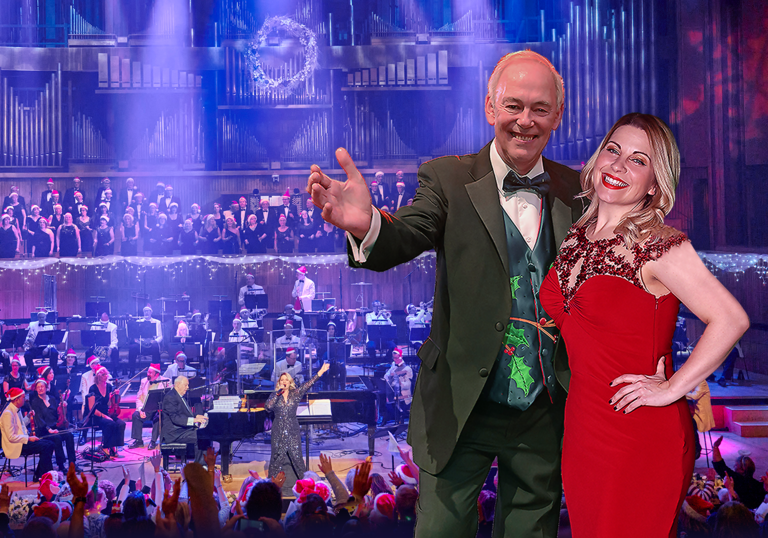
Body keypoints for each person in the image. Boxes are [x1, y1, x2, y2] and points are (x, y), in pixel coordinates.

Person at [308, 50, 584, 538]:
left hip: (544, 410)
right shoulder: (448, 178)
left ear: (558, 115)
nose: (525, 121)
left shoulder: (578, 191)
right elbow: (407, 233)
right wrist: (367, 225)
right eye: (513, 105)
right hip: (461, 405)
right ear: (489, 108)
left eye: (540, 109)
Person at [539, 113, 750, 537]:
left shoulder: (659, 245)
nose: (618, 166)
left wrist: (673, 388)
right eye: (613, 151)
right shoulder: (577, 234)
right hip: (583, 429)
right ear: (598, 157)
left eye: (638, 160)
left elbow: (731, 318)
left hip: (639, 432)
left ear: (655, 184)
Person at [265, 363, 329, 483]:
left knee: (298, 459)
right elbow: (268, 407)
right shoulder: (275, 395)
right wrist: (278, 392)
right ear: (279, 383)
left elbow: (309, 384)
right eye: (281, 380)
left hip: (293, 430)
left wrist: (321, 371)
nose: (284, 382)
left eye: (286, 380)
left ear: (290, 382)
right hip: (278, 431)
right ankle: (270, 486)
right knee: (275, 460)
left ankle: (305, 485)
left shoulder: (295, 394)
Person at [0, 387, 55, 482]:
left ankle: (42, 474)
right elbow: (11, 437)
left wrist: (28, 417)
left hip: (21, 441)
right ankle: (42, 476)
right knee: (46, 446)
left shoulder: (16, 409)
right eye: (22, 397)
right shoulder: (8, 414)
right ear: (16, 399)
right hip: (16, 445)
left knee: (50, 443)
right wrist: (29, 439)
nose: (24, 399)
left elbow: (20, 425)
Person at [28, 378, 78, 473]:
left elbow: (58, 414)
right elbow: (38, 418)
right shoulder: (35, 402)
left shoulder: (52, 399)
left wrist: (62, 407)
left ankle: (73, 463)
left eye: (42, 387)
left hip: (56, 426)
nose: (40, 389)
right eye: (38, 387)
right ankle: (61, 465)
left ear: (46, 388)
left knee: (69, 436)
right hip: (44, 429)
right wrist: (49, 429)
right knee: (57, 438)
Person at [161, 376, 206, 464]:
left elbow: (185, 414)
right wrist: (194, 420)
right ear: (178, 385)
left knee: (204, 434)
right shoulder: (170, 397)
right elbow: (175, 419)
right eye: (185, 385)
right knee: (201, 436)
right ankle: (200, 466)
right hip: (174, 433)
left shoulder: (179, 396)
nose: (187, 387)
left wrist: (197, 416)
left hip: (181, 430)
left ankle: (203, 463)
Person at [711, 436, 764, 509]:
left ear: (742, 470)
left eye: (736, 465)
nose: (734, 466)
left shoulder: (737, 480)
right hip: (753, 512)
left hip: (740, 512)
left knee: (722, 493)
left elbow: (719, 466)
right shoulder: (759, 485)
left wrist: (715, 447)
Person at [86, 366, 126, 458]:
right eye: (104, 374)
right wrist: (105, 416)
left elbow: (110, 401)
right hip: (96, 415)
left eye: (107, 374)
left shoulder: (108, 386)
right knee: (109, 423)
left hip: (107, 412)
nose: (106, 376)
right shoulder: (93, 389)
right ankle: (105, 446)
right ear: (98, 376)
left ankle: (113, 446)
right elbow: (92, 408)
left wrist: (115, 394)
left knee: (121, 424)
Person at [129, 363, 170, 449]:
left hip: (158, 409)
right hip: (146, 409)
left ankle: (153, 441)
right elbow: (139, 398)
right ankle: (138, 441)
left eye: (150, 373)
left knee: (159, 417)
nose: (148, 374)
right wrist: (140, 409)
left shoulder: (166, 382)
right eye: (148, 372)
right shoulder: (144, 381)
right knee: (135, 415)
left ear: (157, 374)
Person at [128, 306, 162, 377]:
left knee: (155, 348)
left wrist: (155, 341)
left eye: (148, 311)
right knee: (132, 348)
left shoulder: (157, 322)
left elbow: (160, 336)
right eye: (145, 311)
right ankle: (132, 371)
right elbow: (135, 335)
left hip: (151, 344)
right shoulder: (138, 322)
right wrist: (135, 340)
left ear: (151, 312)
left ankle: (156, 371)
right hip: (141, 344)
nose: (146, 312)